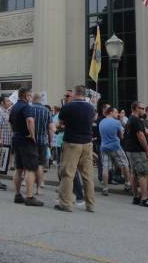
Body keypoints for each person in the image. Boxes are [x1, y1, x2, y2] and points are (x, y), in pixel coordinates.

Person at [54, 85, 95, 213]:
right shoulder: (90, 107)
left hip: (72, 142)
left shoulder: (68, 107)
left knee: (68, 173)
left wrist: (64, 126)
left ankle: (65, 203)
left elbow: (60, 123)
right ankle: (90, 205)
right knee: (87, 175)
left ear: (75, 93)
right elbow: (92, 121)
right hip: (87, 143)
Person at [10, 88, 43, 207]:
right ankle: (29, 197)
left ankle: (18, 195)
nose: (31, 98)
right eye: (29, 95)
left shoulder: (13, 107)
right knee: (30, 168)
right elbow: (30, 120)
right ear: (25, 95)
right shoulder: (26, 106)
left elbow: (11, 122)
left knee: (18, 168)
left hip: (16, 137)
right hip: (25, 139)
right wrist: (32, 135)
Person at [124, 101, 148, 208]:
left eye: (144, 108)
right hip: (137, 151)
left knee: (134, 174)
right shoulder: (136, 120)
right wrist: (147, 150)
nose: (143, 110)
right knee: (143, 174)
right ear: (135, 108)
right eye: (141, 108)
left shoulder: (130, 119)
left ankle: (136, 197)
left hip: (130, 150)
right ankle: (144, 199)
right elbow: (140, 135)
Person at [98, 107, 131, 196]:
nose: (118, 114)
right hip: (115, 146)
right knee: (125, 163)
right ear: (111, 112)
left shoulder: (101, 122)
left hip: (104, 147)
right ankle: (128, 184)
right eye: (116, 112)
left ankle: (105, 188)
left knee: (105, 167)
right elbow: (122, 136)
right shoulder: (116, 122)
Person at [31, 94, 52, 194]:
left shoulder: (29, 109)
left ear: (33, 99)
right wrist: (50, 141)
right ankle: (39, 189)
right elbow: (50, 128)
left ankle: (29, 188)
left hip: (30, 140)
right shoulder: (46, 110)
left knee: (30, 165)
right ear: (40, 100)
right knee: (40, 165)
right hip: (43, 141)